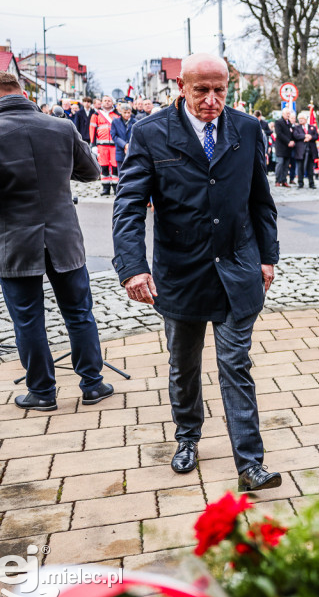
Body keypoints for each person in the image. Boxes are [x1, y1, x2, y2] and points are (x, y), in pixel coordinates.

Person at [112, 53, 282, 492]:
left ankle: (250, 463)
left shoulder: (247, 128)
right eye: (201, 90)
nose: (211, 100)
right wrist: (133, 267)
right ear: (182, 87)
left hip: (237, 269)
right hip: (181, 272)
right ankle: (187, 436)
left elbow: (260, 201)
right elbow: (129, 205)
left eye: (219, 90)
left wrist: (267, 257)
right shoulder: (150, 133)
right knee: (183, 364)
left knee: (235, 363)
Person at [0, 70, 112, 411]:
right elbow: (91, 172)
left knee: (28, 319)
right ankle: (93, 384)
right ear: (23, 92)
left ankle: (42, 392)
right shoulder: (61, 127)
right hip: (63, 236)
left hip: (14, 239)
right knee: (79, 313)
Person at [89, 96, 120, 196]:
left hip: (115, 145)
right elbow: (92, 130)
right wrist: (93, 144)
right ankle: (105, 188)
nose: (107, 102)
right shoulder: (96, 115)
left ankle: (116, 188)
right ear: (102, 102)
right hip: (102, 145)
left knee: (115, 167)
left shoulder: (117, 114)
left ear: (112, 102)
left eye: (109, 101)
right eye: (105, 101)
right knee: (104, 167)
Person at [292, 110, 316, 189]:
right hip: (300, 151)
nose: (300, 120)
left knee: (310, 168)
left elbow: (316, 136)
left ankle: (311, 183)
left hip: (310, 151)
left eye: (302, 119)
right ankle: (300, 183)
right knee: (300, 168)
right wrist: (305, 136)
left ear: (305, 119)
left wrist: (310, 137)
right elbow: (296, 135)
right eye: (299, 119)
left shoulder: (312, 127)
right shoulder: (296, 127)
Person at [273, 108, 294, 187]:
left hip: (288, 149)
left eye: (289, 113)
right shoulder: (278, 122)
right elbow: (279, 134)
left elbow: (292, 134)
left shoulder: (289, 124)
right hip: (281, 147)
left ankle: (284, 180)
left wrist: (292, 141)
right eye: (287, 113)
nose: (288, 115)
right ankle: (277, 180)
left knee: (286, 165)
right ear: (283, 114)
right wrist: (288, 142)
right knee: (280, 164)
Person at [110, 103, 135, 169]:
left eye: (128, 112)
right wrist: (124, 145)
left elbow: (137, 136)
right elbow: (114, 136)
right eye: (125, 112)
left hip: (132, 151)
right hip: (120, 151)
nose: (127, 114)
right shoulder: (115, 122)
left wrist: (129, 145)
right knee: (121, 171)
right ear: (121, 112)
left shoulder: (135, 122)